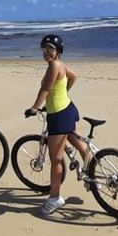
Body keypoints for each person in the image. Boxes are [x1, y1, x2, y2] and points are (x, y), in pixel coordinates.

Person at [25, 34, 90, 215]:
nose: (46, 52)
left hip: (59, 115)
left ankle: (55, 198)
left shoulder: (54, 65)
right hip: (69, 108)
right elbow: (73, 77)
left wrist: (34, 108)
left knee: (56, 160)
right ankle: (94, 174)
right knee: (80, 144)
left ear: (58, 51)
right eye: (44, 49)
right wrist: (63, 93)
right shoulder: (61, 64)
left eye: (50, 49)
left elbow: (46, 88)